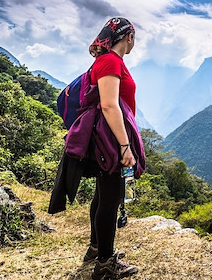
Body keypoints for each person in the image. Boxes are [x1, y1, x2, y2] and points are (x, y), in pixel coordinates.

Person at [85, 17, 140, 279]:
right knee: (111, 197)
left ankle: (96, 248)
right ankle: (106, 262)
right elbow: (109, 105)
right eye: (134, 38)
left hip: (109, 137)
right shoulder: (110, 62)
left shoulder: (109, 61)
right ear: (128, 36)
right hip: (111, 139)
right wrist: (124, 146)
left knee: (103, 194)